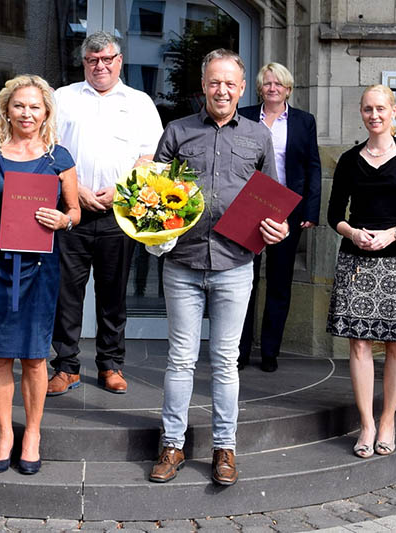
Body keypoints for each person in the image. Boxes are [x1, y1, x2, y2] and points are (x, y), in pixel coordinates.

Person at [148, 49, 288, 486]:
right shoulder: (178, 131)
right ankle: (172, 444)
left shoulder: (258, 136)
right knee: (181, 359)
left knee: (226, 362)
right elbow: (150, 194)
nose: (222, 90)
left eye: (230, 83)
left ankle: (224, 449)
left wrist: (276, 227)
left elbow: (273, 198)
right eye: (214, 82)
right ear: (203, 86)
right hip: (184, 262)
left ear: (242, 88)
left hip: (234, 263)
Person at [0, 75, 80, 475]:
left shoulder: (59, 157)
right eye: (19, 106)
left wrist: (63, 220)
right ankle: (5, 434)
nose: (27, 113)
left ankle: (32, 433)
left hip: (39, 267)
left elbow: (75, 211)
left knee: (35, 358)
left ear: (46, 111)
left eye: (35, 106)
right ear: (6, 109)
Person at [326, 85, 396, 458]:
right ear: (361, 113)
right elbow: (333, 216)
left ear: (393, 112)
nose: (374, 115)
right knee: (358, 343)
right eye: (367, 109)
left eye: (380, 108)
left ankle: (388, 418)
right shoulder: (348, 159)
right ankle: (367, 423)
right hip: (357, 261)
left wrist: (394, 233)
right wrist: (353, 232)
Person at [48, 31, 163, 396]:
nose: (100, 66)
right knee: (66, 294)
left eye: (107, 59)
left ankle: (110, 365)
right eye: (93, 60)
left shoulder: (140, 102)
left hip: (120, 214)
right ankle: (66, 367)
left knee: (113, 295)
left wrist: (120, 191)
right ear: (84, 63)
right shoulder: (62, 98)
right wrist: (74, 189)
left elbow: (150, 157)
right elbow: (47, 149)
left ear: (119, 61)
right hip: (71, 211)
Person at [238, 63, 321, 372]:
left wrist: (311, 210)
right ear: (260, 88)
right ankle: (240, 351)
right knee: (243, 282)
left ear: (288, 89)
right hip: (248, 208)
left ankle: (270, 351)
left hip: (288, 210)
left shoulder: (303, 121)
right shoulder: (244, 116)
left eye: (278, 84)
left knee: (279, 282)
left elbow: (313, 166)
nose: (272, 88)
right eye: (267, 83)